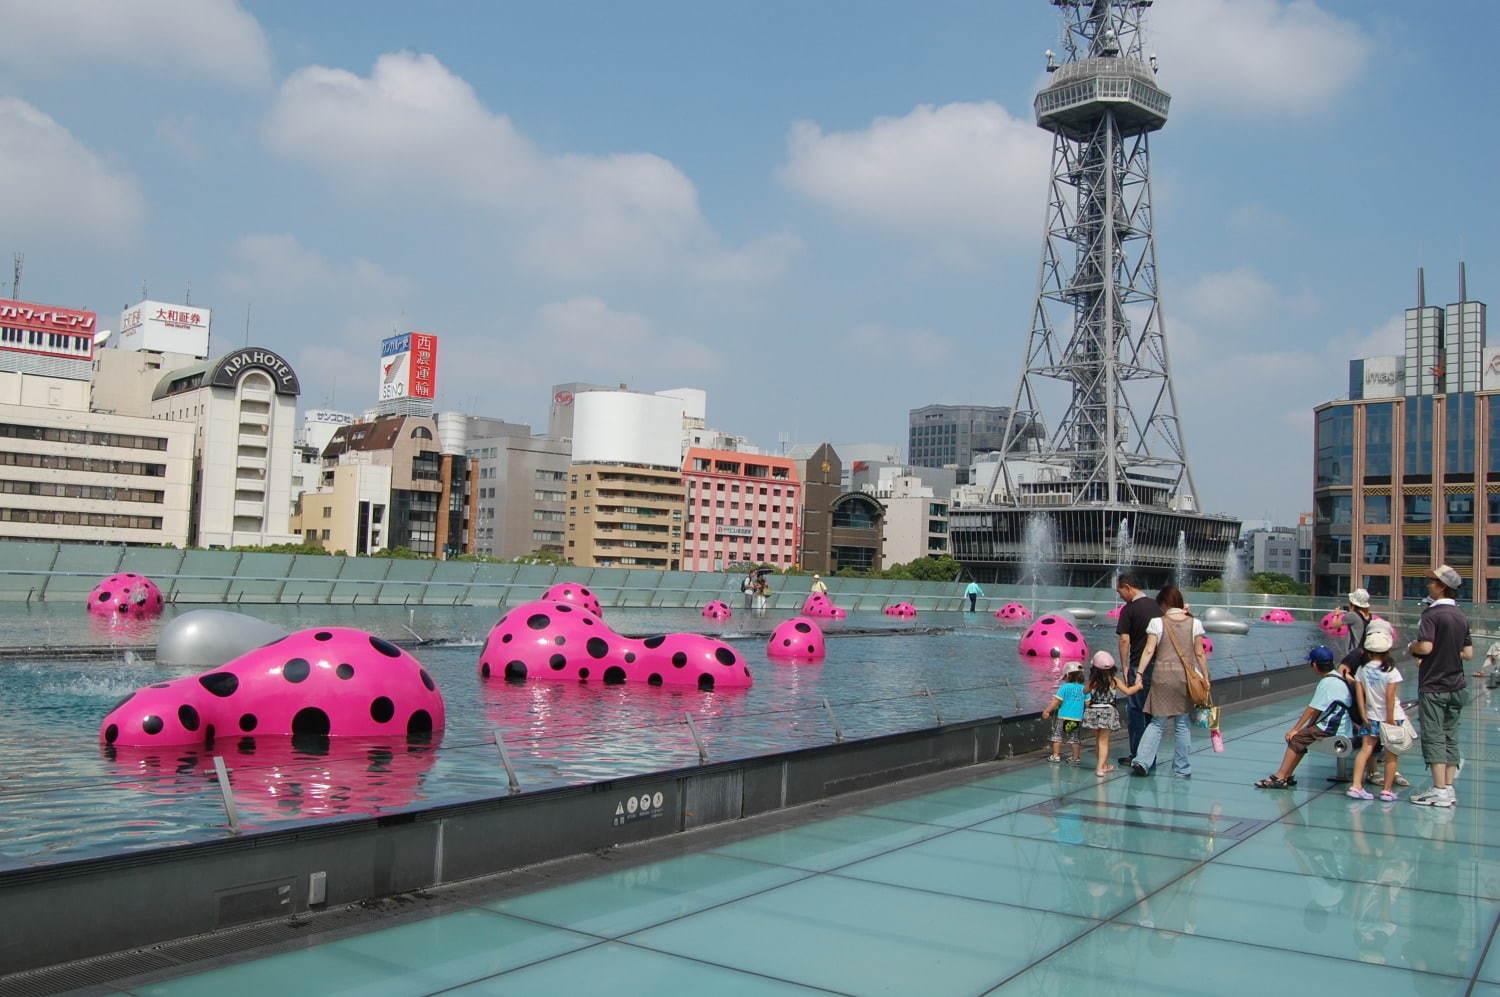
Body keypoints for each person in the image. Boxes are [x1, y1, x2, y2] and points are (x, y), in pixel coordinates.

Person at [1406, 564, 1472, 808]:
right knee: (1450, 736)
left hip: (1434, 685)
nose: (1428, 585)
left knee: (1433, 737)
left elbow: (1426, 648)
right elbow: (1468, 652)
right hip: (1457, 684)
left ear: (1442, 586)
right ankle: (1448, 788)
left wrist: (1412, 646)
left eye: (1432, 581)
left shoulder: (1432, 615)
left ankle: (1438, 790)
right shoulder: (1461, 616)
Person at [1129, 586, 1207, 778]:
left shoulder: (1157, 622)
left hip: (1162, 677)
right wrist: (1205, 677)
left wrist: (1139, 673)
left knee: (1156, 723)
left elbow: (1148, 650)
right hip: (1184, 679)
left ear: (1164, 603)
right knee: (1182, 724)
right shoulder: (1195, 623)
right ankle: (1182, 768)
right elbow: (1199, 653)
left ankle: (1142, 761)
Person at [1255, 646, 1353, 788]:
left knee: (1297, 738)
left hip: (1335, 725)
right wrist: (1308, 727)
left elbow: (1312, 709)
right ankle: (1286, 775)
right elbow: (1318, 710)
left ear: (1314, 665)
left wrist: (1295, 729)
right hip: (1342, 723)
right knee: (1302, 736)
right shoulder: (1337, 677)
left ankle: (1280, 776)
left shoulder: (1326, 682)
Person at [1347, 628, 1407, 801]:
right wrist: (1390, 719)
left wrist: (1363, 713)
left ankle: (1356, 785)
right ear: (1387, 651)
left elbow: (1359, 693)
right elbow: (1390, 697)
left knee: (1365, 750)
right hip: (1391, 717)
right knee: (1391, 754)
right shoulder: (1391, 671)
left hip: (1371, 715)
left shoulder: (1363, 669)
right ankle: (1387, 790)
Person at [1114, 574, 1163, 766]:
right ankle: (1150, 754)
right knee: (1152, 711)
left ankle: (1137, 754)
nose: (1120, 597)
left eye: (1120, 592)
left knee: (1135, 710)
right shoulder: (1157, 606)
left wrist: (1124, 665)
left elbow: (1124, 639)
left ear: (1127, 587)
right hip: (1159, 666)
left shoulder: (1129, 609)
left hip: (1137, 666)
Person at [1082, 650, 1142, 776]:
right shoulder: (1114, 681)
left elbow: (1085, 691)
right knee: (1104, 741)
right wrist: (1138, 686)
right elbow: (1128, 691)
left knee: (1098, 740)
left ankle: (1102, 764)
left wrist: (1091, 683)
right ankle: (1100, 768)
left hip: (1094, 711)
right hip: (1108, 712)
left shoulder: (1094, 681)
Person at [1042, 662, 1088, 764]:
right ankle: (1075, 758)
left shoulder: (1064, 687)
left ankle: (1056, 756)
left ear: (1068, 675)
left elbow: (1056, 701)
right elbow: (1088, 703)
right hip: (1076, 719)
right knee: (1074, 739)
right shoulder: (1084, 688)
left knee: (1057, 736)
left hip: (1063, 717)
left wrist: (1047, 711)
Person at [1339, 588, 1374, 667]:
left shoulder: (1352, 615)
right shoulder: (1369, 616)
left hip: (1353, 654)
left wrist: (1336, 614)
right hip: (1365, 654)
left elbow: (1335, 624)